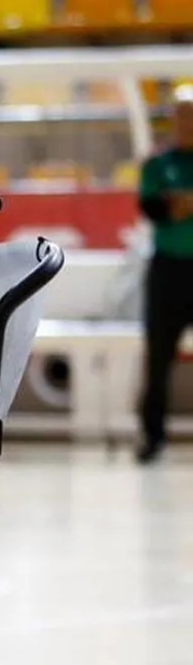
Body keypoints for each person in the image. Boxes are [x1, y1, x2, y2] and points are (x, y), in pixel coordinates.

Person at [137, 86, 193, 464]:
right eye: (183, 115)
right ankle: (152, 435)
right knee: (158, 357)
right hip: (169, 269)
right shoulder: (158, 163)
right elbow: (155, 208)